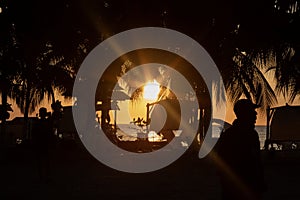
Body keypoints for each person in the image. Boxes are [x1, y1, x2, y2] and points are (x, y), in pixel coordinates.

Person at [215, 99, 267, 200]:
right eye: (252, 111)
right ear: (244, 114)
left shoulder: (251, 134)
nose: (255, 114)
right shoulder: (233, 136)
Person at [32, 107, 54, 182]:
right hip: (43, 143)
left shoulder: (38, 123)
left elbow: (34, 134)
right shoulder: (46, 122)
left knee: (43, 161)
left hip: (42, 143)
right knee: (44, 160)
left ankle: (42, 175)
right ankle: (44, 175)